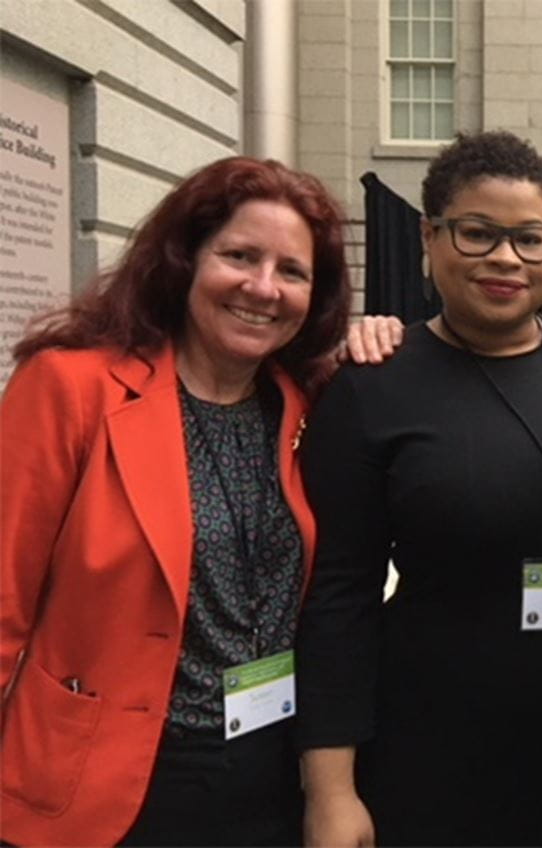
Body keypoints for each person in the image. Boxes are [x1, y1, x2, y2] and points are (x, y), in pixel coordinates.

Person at [295, 130, 542, 847]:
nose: (505, 258)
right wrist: (331, 792)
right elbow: (338, 600)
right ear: (429, 238)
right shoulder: (374, 386)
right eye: (477, 233)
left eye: (530, 238)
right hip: (433, 760)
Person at [0, 157, 352, 846]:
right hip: (98, 785)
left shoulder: (309, 407)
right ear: (185, 258)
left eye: (292, 271)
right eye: (240, 256)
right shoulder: (72, 389)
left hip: (266, 775)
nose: (263, 288)